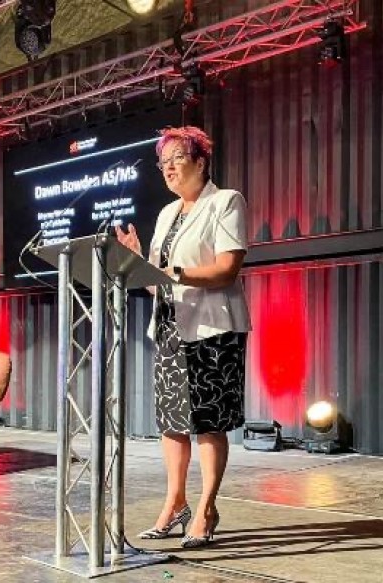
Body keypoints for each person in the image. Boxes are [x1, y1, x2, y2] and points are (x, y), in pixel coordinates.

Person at [115, 126, 251, 548]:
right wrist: (137, 262)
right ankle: (175, 503)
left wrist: (171, 273)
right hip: (171, 328)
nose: (168, 168)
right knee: (173, 424)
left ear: (200, 161)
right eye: (163, 162)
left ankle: (206, 509)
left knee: (209, 424)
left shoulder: (225, 202)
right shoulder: (166, 214)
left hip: (213, 329)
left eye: (177, 158)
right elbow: (158, 284)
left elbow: (226, 269)